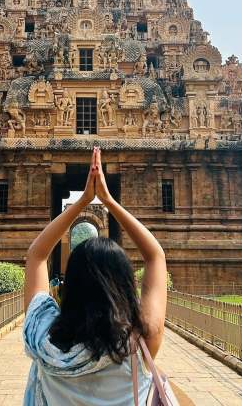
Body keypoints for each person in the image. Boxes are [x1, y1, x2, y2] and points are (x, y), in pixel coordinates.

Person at [23, 147, 167, 405]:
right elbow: (155, 256)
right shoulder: (140, 344)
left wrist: (81, 203)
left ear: (70, 286)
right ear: (124, 286)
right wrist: (109, 201)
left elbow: (36, 256)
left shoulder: (43, 340)